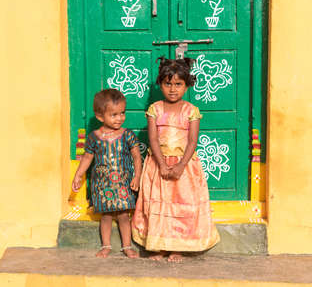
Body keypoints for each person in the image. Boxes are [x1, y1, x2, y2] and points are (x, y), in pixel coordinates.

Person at [131, 57, 220, 262]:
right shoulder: (155, 109)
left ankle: (177, 247)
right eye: (167, 84)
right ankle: (158, 246)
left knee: (180, 205)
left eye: (178, 84)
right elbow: (152, 138)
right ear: (160, 84)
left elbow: (191, 142)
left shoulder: (191, 111)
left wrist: (180, 165)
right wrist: (162, 163)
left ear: (187, 85)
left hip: (184, 167)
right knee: (159, 204)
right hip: (158, 165)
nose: (173, 89)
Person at [72, 89, 142, 259]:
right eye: (114, 115)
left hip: (123, 183)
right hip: (103, 185)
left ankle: (127, 246)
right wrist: (79, 175)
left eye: (122, 113)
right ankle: (106, 246)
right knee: (106, 215)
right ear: (100, 116)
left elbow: (137, 157)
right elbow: (88, 157)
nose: (120, 118)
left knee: (124, 215)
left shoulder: (127, 135)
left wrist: (137, 176)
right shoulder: (94, 137)